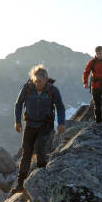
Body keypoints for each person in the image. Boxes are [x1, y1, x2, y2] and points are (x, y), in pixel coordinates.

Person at [11, 65, 66, 194]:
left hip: (45, 126)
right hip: (30, 125)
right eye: (35, 81)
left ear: (46, 80)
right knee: (26, 153)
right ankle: (20, 184)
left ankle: (42, 182)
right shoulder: (27, 88)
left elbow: (60, 107)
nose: (37, 84)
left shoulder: (53, 91)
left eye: (40, 82)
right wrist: (18, 121)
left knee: (41, 150)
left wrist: (61, 123)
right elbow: (18, 104)